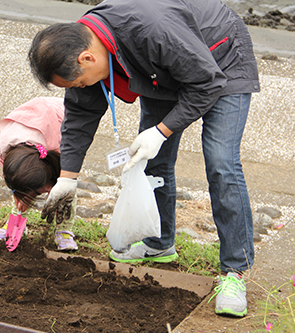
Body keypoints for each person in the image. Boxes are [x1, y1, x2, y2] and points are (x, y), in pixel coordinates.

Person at [28, 0, 260, 317]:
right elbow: (80, 113)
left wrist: (161, 131)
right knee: (151, 161)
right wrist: (67, 179)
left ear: (87, 58)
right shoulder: (86, 40)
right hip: (162, 69)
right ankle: (159, 242)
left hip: (219, 58)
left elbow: (207, 83)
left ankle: (234, 272)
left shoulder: (152, 30)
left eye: (80, 82)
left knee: (221, 161)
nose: (82, 87)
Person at [0, 97, 78, 251]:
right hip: (29, 121)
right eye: (38, 192)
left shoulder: (60, 145)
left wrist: (61, 184)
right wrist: (20, 196)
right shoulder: (7, 147)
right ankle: (17, 221)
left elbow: (70, 170)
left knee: (66, 189)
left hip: (65, 121)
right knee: (22, 186)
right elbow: (15, 180)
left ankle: (64, 230)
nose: (46, 192)